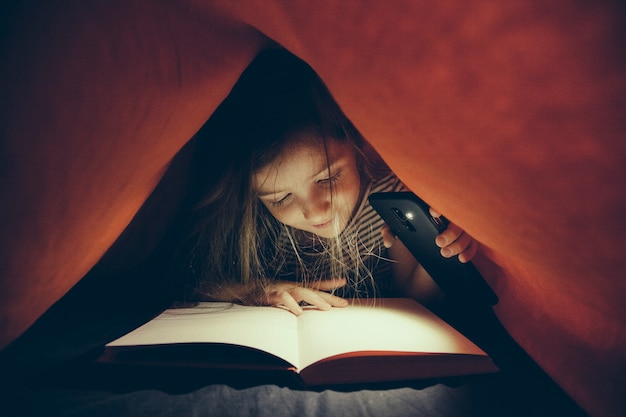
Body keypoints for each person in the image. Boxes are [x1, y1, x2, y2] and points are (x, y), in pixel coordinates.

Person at [178, 48, 478, 315]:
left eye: (329, 178)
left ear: (356, 145)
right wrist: (255, 290)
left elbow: (418, 304)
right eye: (280, 198)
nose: (316, 212)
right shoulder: (255, 222)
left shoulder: (391, 199)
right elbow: (190, 283)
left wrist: (438, 251)